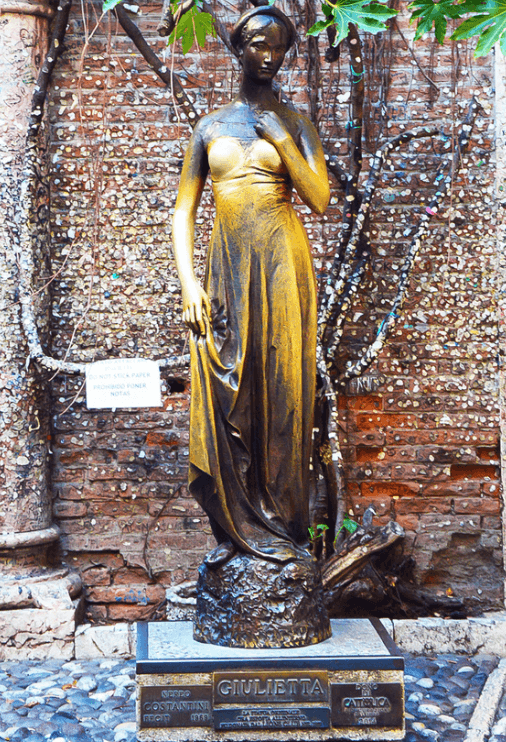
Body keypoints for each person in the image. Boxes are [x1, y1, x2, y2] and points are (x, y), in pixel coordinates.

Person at [172, 5, 330, 570]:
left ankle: (283, 527)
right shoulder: (210, 126)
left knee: (284, 391)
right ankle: (234, 530)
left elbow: (319, 198)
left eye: (279, 47)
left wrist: (283, 142)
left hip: (282, 262)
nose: (270, 56)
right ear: (238, 48)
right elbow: (184, 210)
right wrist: (189, 284)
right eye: (260, 44)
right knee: (224, 389)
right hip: (227, 268)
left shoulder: (295, 121)